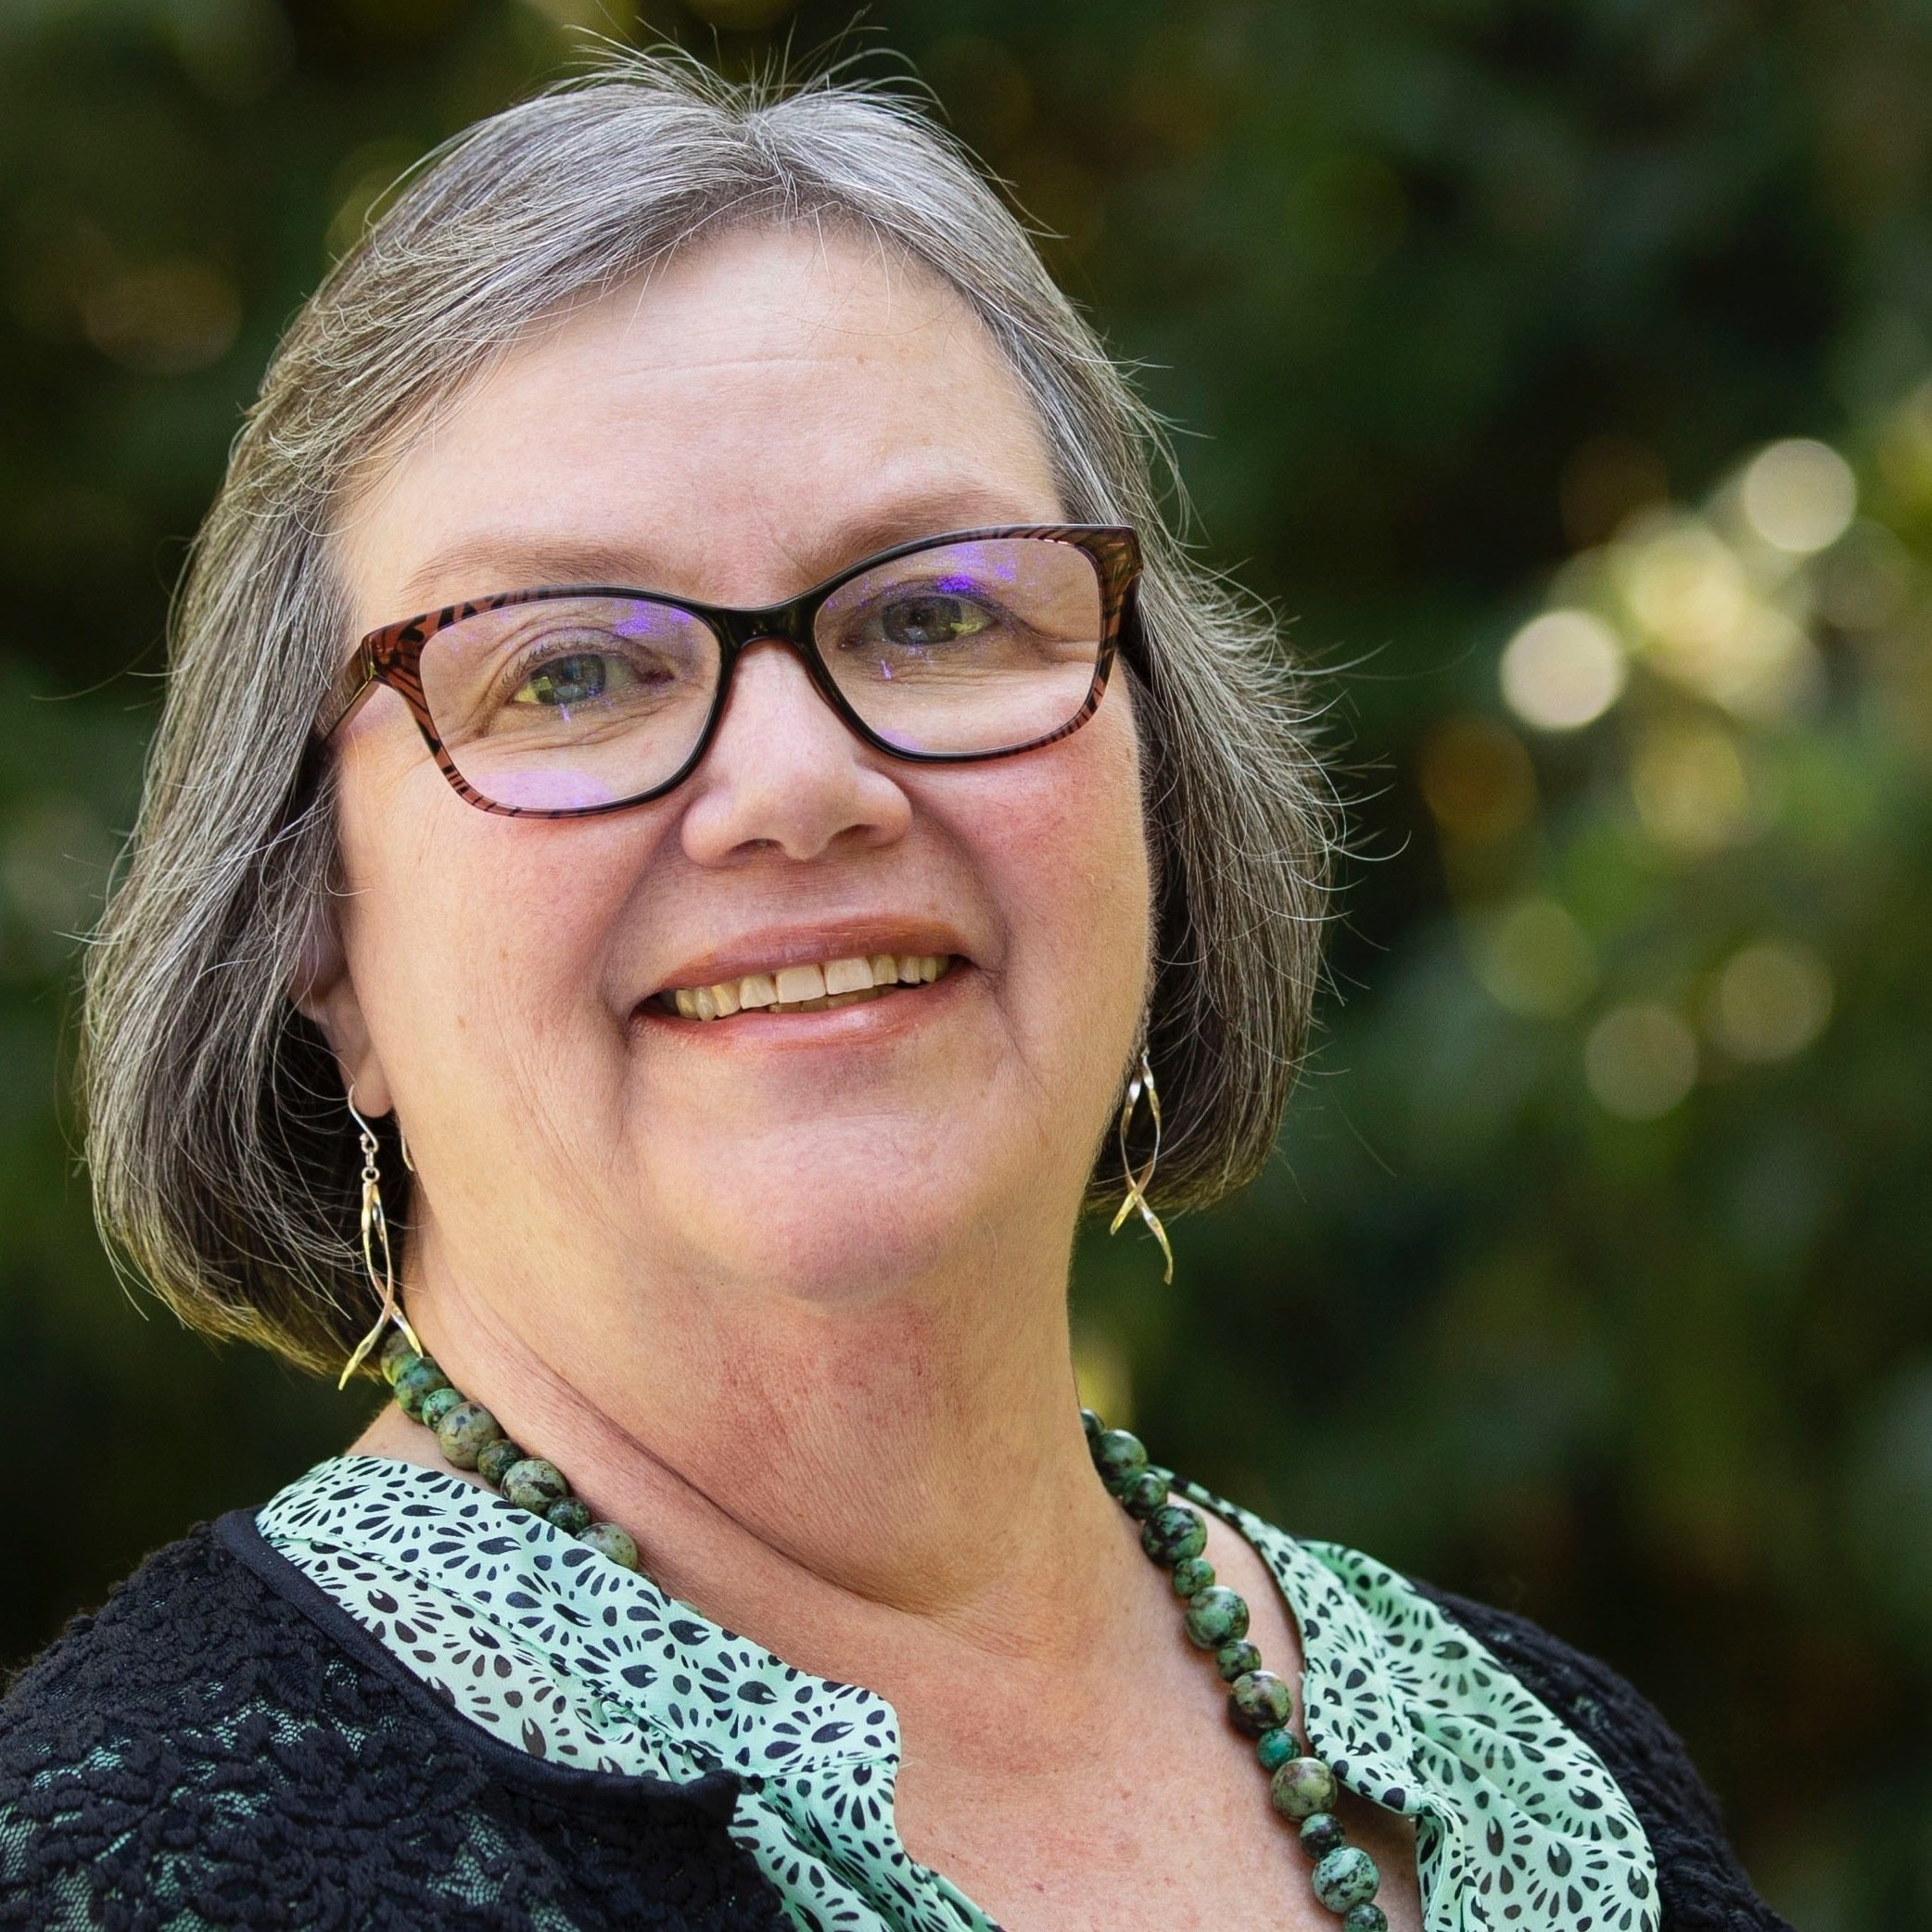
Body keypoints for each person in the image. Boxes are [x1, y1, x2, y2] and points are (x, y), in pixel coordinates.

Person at [0, 50, 1785, 1932]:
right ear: (315, 925)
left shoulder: (1559, 1784)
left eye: (934, 613)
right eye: (567, 669)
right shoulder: (132, 1874)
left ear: (1157, 792)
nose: (795, 785)